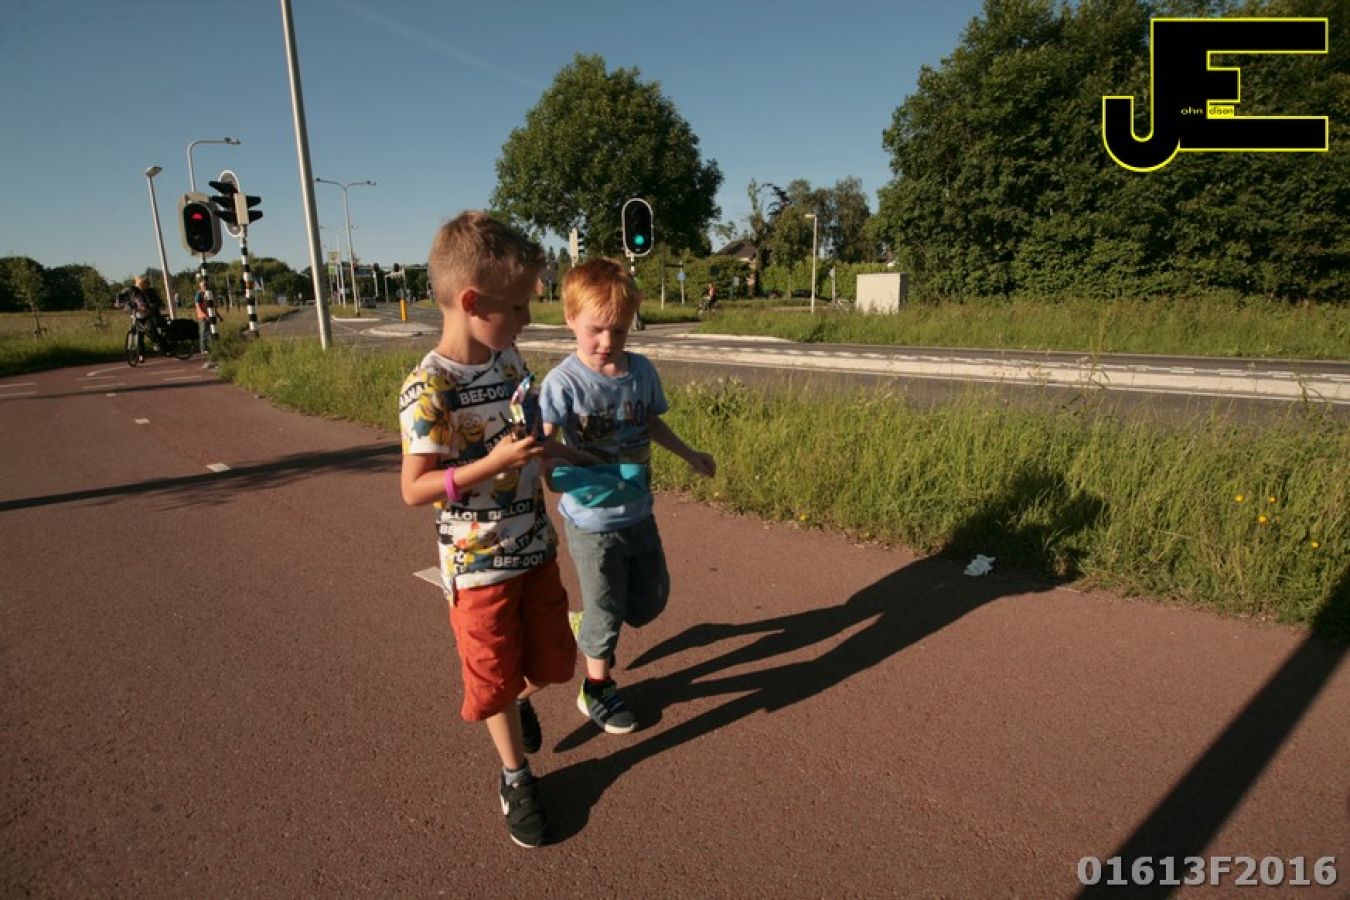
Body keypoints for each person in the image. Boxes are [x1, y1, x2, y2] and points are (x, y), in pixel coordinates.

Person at [397, 211, 575, 849]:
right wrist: (490, 465)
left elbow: (529, 433)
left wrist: (563, 452)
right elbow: (414, 489)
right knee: (492, 677)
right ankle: (515, 776)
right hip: (476, 565)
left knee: (554, 663)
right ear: (473, 303)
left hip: (535, 546)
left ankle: (518, 699)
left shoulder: (508, 360)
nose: (527, 318)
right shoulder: (429, 388)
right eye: (518, 307)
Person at [539, 258, 716, 736]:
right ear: (570, 319)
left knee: (650, 602)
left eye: (619, 330)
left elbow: (650, 421)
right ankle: (596, 687)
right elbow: (544, 444)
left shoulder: (641, 372)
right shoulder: (563, 383)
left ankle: (590, 624)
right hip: (591, 519)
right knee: (607, 613)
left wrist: (689, 454)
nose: (607, 342)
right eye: (596, 330)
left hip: (638, 510)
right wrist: (553, 470)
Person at [126, 276, 166, 362]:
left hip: (148, 315)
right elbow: (127, 304)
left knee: (152, 332)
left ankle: (163, 347)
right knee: (139, 336)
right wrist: (127, 307)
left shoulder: (149, 293)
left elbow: (155, 303)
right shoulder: (132, 294)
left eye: (142, 285)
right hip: (136, 317)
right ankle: (141, 355)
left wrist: (147, 307)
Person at [193, 279, 212, 354]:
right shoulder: (198, 295)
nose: (205, 286)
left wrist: (218, 315)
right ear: (200, 287)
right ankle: (203, 349)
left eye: (206, 285)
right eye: (204, 285)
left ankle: (210, 347)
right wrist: (204, 315)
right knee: (203, 333)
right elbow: (198, 307)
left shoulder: (206, 294)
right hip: (202, 317)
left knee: (209, 332)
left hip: (208, 316)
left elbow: (210, 305)